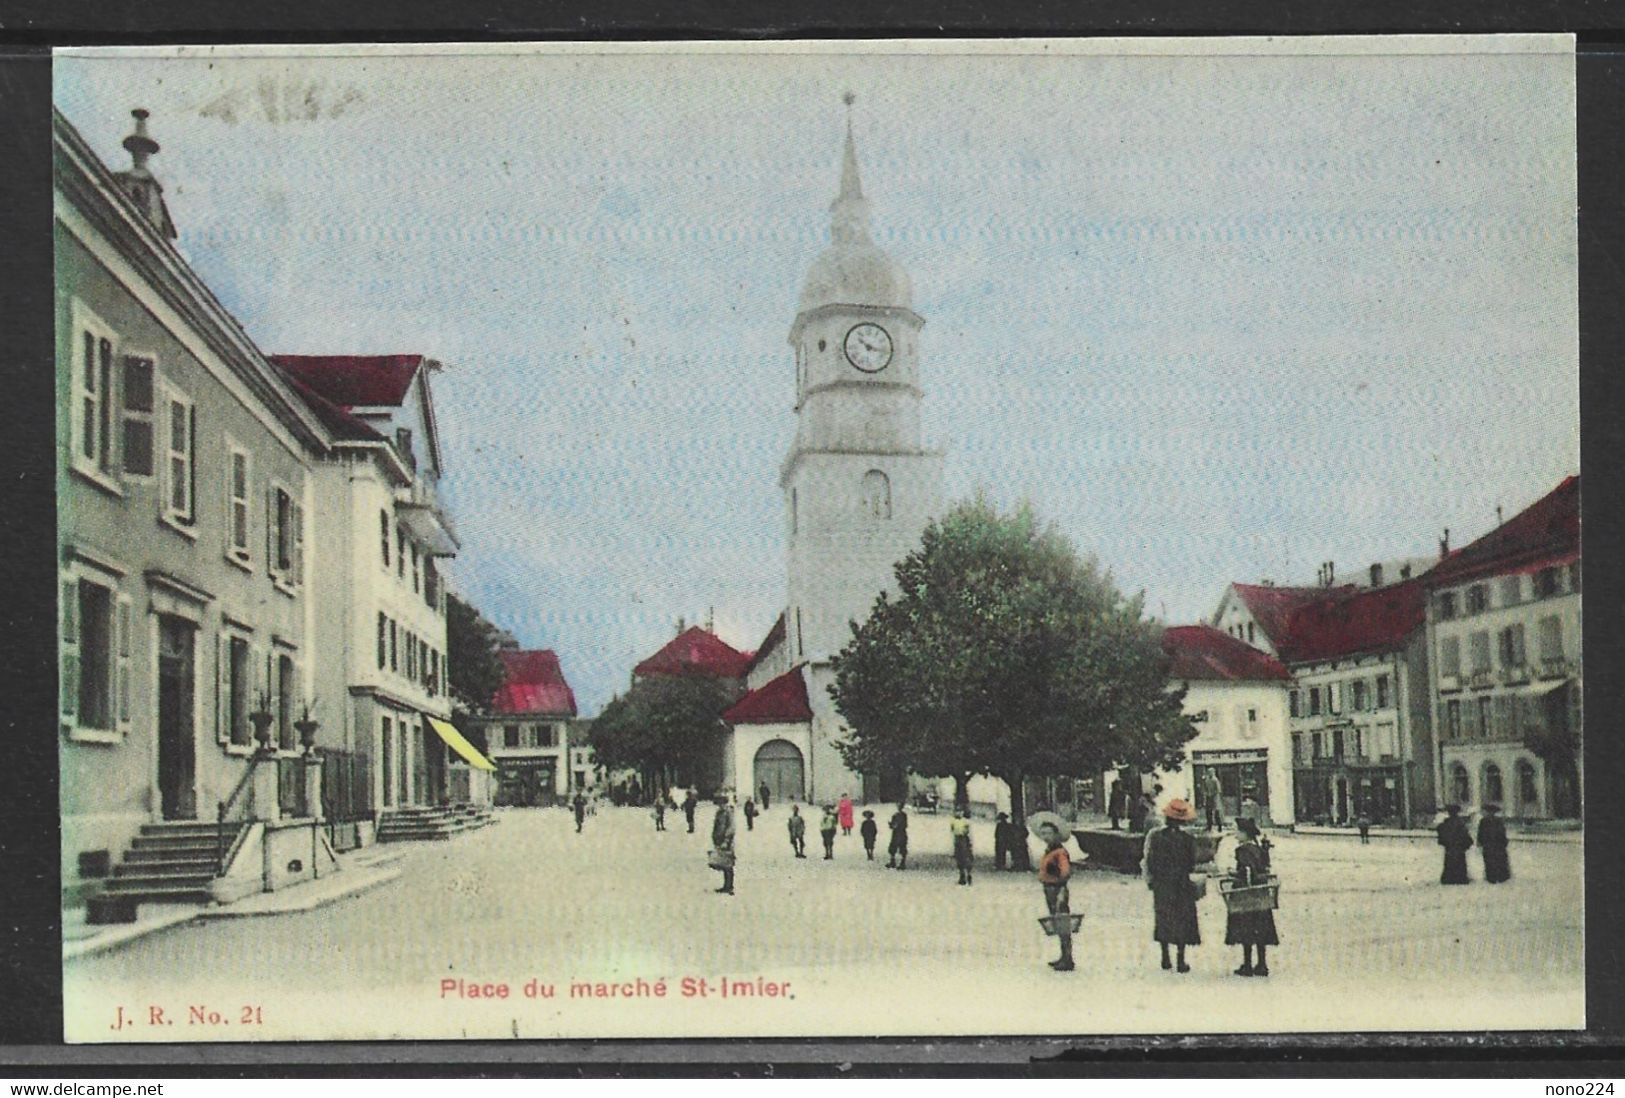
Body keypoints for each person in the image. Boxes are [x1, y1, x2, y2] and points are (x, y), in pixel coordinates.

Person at [1145, 797, 1201, 973]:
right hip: (1181, 884)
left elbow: (1151, 860)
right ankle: (1181, 959)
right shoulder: (1187, 839)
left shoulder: (1157, 837)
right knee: (1182, 920)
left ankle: (1165, 957)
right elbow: (1191, 863)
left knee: (1164, 918)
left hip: (1162, 884)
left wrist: (1154, 879)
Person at [1225, 817, 1278, 977]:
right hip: (1260, 893)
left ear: (1244, 833)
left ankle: (1247, 965)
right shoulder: (1259, 849)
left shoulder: (1242, 850)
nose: (1235, 834)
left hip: (1246, 894)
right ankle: (1262, 964)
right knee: (1260, 929)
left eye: (1237, 831)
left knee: (1245, 929)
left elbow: (1247, 871)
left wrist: (1234, 873)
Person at [1035, 817, 1075, 972]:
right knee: (1058, 922)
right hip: (1049, 888)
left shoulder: (1059, 852)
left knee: (1062, 922)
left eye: (1049, 833)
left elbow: (1065, 872)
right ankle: (1064, 956)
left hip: (1057, 889)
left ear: (1056, 834)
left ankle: (1067, 958)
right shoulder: (1050, 850)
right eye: (1043, 833)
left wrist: (1056, 877)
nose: (1045, 837)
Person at [1437, 803, 1473, 885]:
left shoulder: (1446, 823)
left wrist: (1444, 842)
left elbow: (1441, 833)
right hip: (1459, 847)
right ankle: (1460, 878)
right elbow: (1465, 834)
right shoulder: (1460, 823)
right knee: (1459, 862)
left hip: (1450, 847)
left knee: (1450, 862)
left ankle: (1450, 878)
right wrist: (1467, 843)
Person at [709, 794, 736, 895]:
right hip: (720, 840)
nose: (720, 806)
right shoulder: (719, 812)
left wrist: (726, 840)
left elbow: (731, 828)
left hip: (727, 842)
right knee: (724, 864)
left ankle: (729, 887)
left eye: (721, 804)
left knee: (728, 864)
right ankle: (726, 885)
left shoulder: (728, 812)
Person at [1478, 803, 1511, 884]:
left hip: (1491, 845)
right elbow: (1502, 833)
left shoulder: (1484, 821)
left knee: (1491, 860)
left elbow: (1481, 833)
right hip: (1495, 845)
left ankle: (1492, 876)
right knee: (1496, 860)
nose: (1489, 814)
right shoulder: (1496, 821)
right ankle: (1499, 876)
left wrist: (1480, 842)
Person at [950, 808, 974, 886]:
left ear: (963, 813)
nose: (958, 813)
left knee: (966, 858)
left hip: (964, 839)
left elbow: (968, 832)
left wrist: (969, 842)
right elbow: (952, 830)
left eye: (960, 812)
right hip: (957, 840)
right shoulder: (953, 821)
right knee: (959, 858)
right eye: (957, 812)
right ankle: (962, 876)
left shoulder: (966, 822)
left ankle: (968, 875)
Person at [887, 803, 910, 870]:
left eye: (900, 806)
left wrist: (896, 826)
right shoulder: (895, 815)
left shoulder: (903, 815)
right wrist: (891, 825)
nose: (899, 807)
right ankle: (892, 861)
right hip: (896, 833)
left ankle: (902, 863)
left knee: (902, 847)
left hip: (900, 832)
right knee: (893, 847)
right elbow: (892, 825)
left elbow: (905, 825)